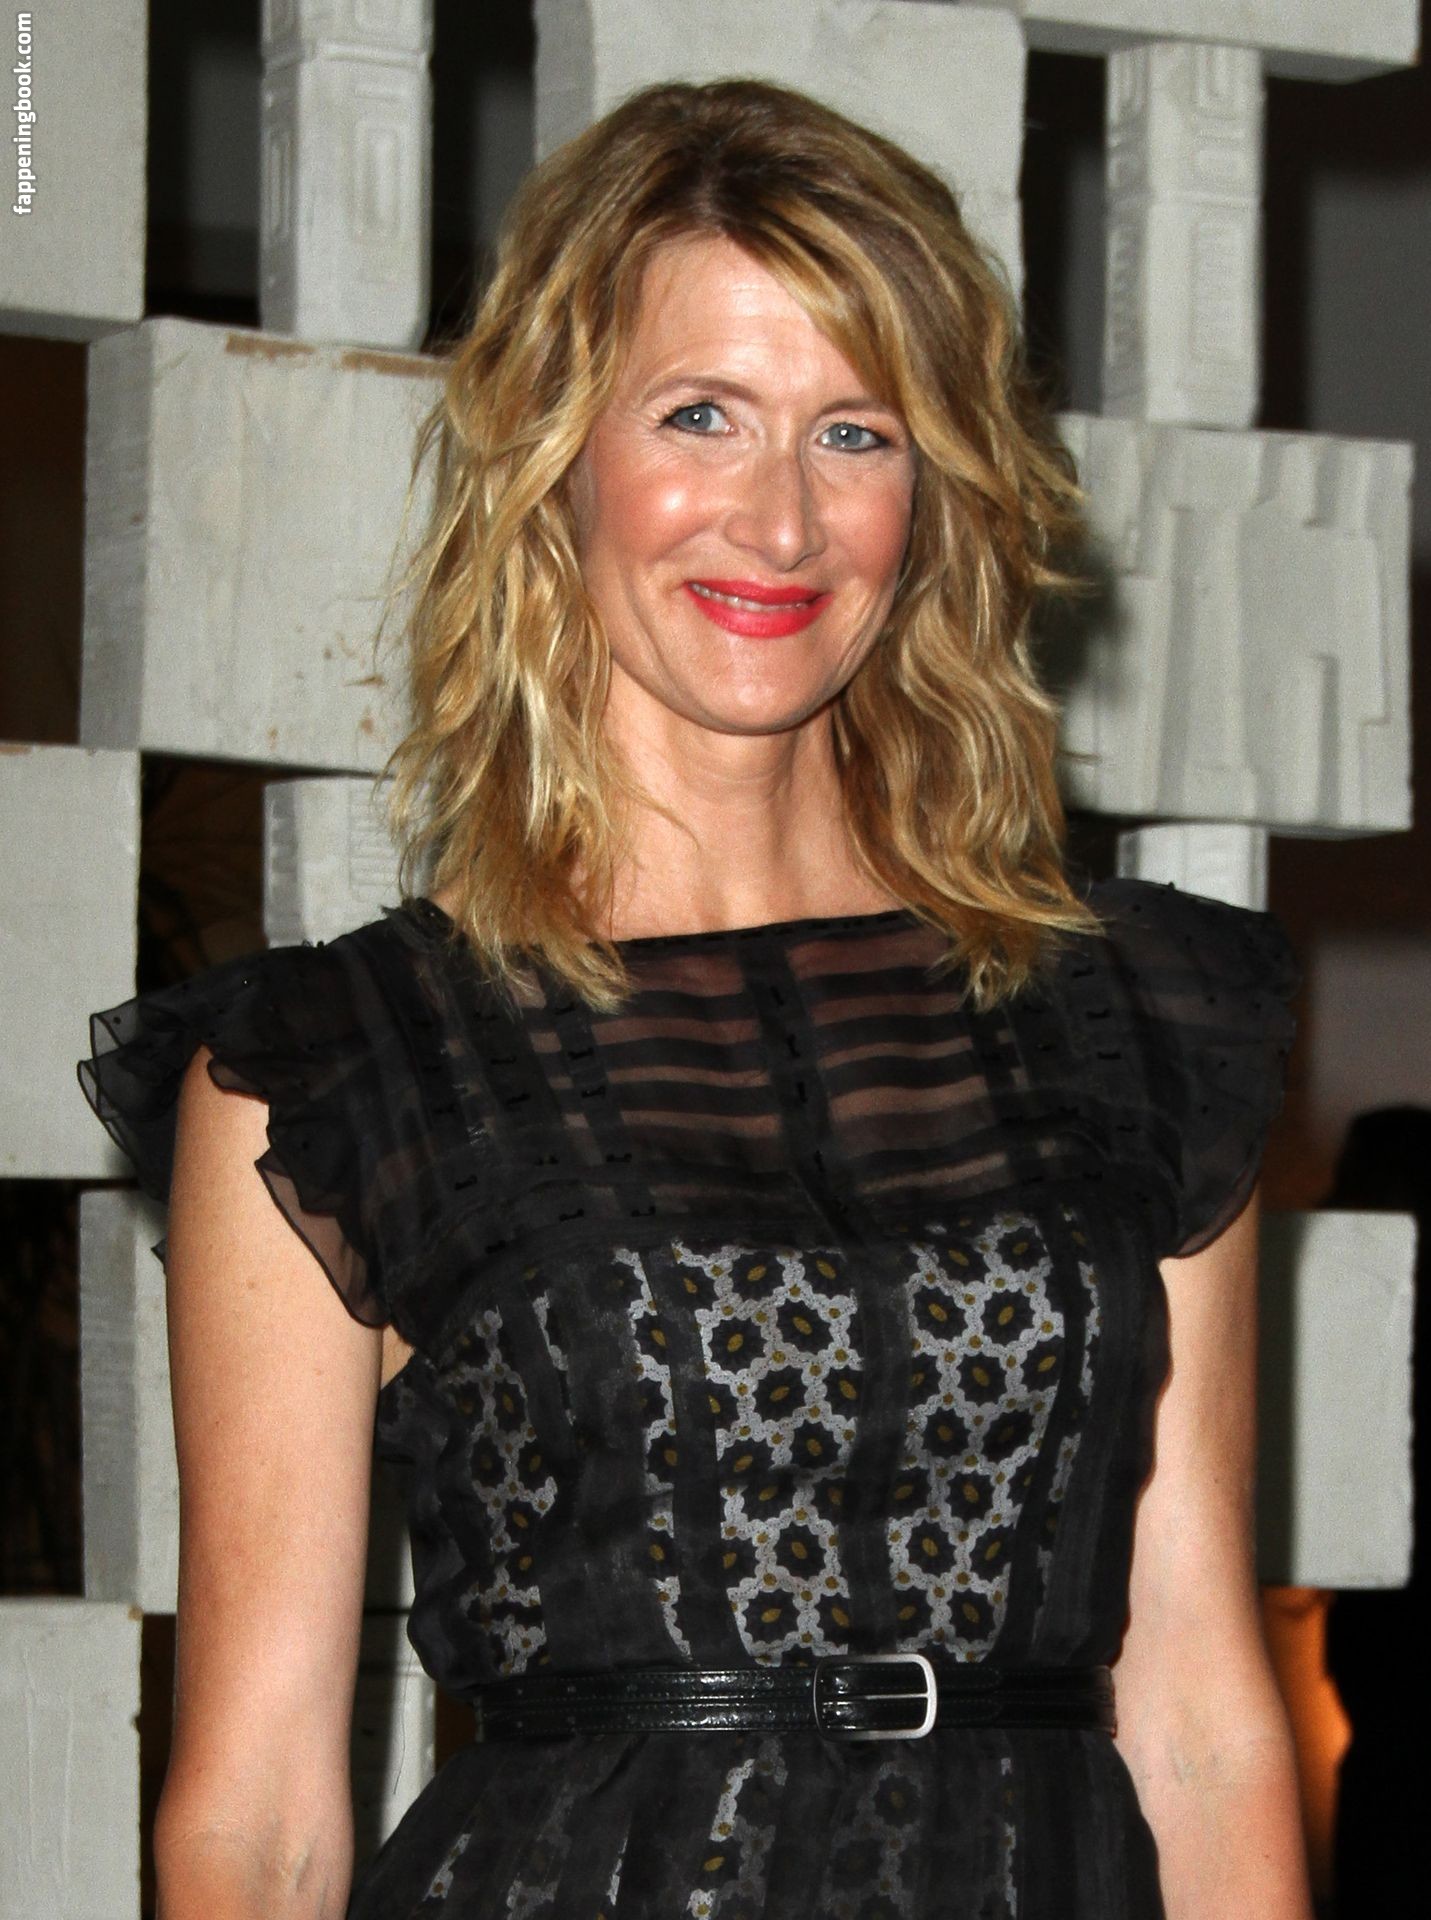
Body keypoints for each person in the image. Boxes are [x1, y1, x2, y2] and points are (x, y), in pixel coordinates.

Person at [78, 78, 1312, 1920]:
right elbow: (256, 1817)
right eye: (701, 414)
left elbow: (1204, 1715)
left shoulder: (1143, 1017)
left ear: (936, 495)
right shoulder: (337, 1071)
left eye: (856, 433)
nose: (781, 521)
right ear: (556, 455)